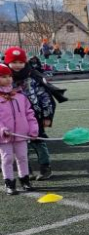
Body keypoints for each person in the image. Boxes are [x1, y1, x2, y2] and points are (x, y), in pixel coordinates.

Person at [6, 47, 61, 181]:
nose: (18, 65)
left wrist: (47, 116)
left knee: (38, 141)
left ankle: (45, 168)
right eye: (14, 62)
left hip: (34, 117)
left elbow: (46, 97)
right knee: (20, 144)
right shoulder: (4, 78)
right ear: (8, 62)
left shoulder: (33, 76)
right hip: (12, 119)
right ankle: (26, 170)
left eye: (21, 62)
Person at [0, 63, 38, 195]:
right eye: (3, 76)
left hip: (21, 134)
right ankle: (9, 182)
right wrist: (2, 129)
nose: (8, 79)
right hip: (4, 137)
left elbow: (29, 114)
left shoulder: (20, 95)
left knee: (22, 157)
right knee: (7, 159)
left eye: (9, 76)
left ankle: (25, 180)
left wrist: (33, 129)